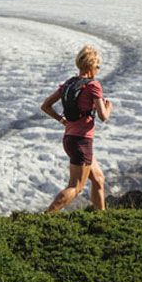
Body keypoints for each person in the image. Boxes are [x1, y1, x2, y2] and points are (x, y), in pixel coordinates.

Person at [41, 45, 113, 212]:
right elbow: (103, 116)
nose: (98, 69)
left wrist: (62, 121)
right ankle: (45, 217)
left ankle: (102, 217)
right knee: (76, 186)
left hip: (70, 139)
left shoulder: (69, 84)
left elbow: (45, 106)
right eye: (98, 66)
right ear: (91, 66)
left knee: (98, 179)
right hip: (82, 142)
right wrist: (109, 107)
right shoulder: (93, 86)